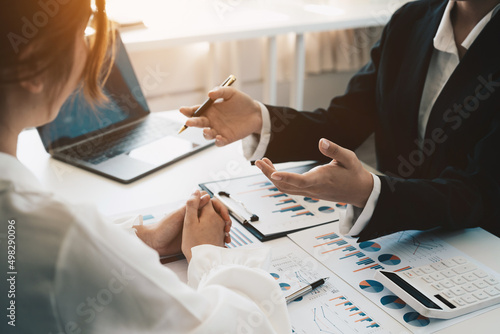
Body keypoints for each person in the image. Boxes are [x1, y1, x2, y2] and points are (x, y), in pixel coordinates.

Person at [0, 1, 290, 333]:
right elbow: (244, 327)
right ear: (35, 65)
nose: (85, 49)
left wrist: (141, 241)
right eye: (81, 33)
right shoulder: (60, 237)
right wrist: (209, 255)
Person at [181, 0, 500, 242]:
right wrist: (261, 119)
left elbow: (479, 192)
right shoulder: (411, 20)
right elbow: (346, 120)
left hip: (476, 241)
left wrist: (371, 192)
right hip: (400, 234)